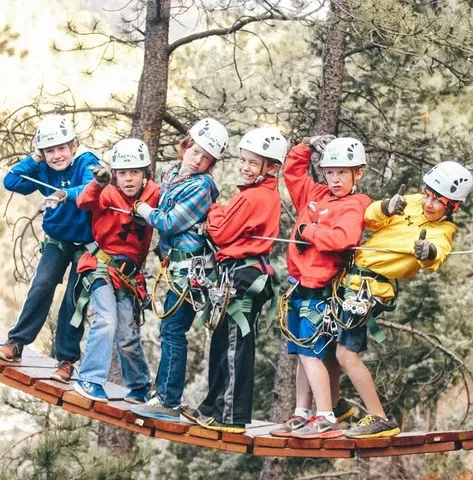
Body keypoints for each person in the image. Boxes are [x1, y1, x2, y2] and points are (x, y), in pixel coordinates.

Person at [338, 161, 473, 438]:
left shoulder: (443, 231)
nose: (429, 203)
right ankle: (334, 408)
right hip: (349, 280)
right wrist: (386, 206)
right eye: (427, 194)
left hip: (370, 289)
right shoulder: (412, 202)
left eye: (438, 201)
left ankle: (379, 417)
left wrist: (428, 251)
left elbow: (438, 256)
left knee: (346, 354)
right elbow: (371, 219)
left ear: (453, 207)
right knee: (331, 347)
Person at [270, 136, 372, 440]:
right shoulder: (314, 194)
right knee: (301, 353)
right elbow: (292, 173)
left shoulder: (356, 204)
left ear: (358, 173)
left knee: (310, 351)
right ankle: (302, 412)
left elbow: (343, 239)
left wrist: (309, 230)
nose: (335, 179)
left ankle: (326, 414)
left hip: (321, 289)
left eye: (342, 172)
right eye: (330, 172)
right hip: (298, 284)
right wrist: (306, 147)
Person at [129, 118, 228, 422]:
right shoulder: (170, 172)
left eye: (205, 158)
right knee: (168, 330)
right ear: (186, 145)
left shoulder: (202, 187)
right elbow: (160, 196)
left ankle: (169, 400)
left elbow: (170, 222)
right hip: (174, 264)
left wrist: (143, 210)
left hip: (192, 269)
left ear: (211, 163)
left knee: (173, 331)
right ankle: (165, 395)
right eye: (194, 151)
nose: (197, 160)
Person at [191, 127, 288, 433]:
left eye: (252, 162)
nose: (245, 167)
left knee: (234, 343)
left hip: (244, 274)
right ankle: (212, 406)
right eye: (243, 160)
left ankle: (231, 415)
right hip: (239, 272)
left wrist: (214, 212)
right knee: (223, 341)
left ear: (270, 168)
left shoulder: (255, 197)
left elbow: (220, 231)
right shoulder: (255, 194)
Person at [0, 115, 99, 383]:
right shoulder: (42, 169)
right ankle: (17, 342)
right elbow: (12, 182)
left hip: (87, 244)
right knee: (42, 284)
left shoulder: (86, 162)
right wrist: (35, 159)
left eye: (61, 148)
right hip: (57, 239)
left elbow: (90, 187)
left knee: (74, 299)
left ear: (73, 146)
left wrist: (64, 194)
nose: (57, 155)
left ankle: (65, 360)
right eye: (50, 150)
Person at [71, 139, 159, 404]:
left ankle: (140, 385)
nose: (129, 179)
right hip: (100, 266)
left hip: (129, 277)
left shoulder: (154, 194)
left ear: (145, 175)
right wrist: (99, 182)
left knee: (127, 334)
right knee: (106, 319)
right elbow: (84, 201)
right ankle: (90, 378)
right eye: (122, 173)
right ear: (115, 176)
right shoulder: (107, 193)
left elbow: (171, 211)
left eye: (135, 172)